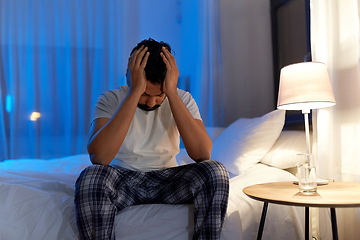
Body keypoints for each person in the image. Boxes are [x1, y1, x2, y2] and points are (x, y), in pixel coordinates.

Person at [75, 38, 229, 240]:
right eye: (145, 94)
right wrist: (134, 92)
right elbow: (99, 157)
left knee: (215, 171)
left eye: (159, 95)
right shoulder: (110, 99)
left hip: (168, 180)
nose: (151, 102)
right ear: (129, 76)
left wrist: (172, 93)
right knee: (91, 176)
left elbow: (202, 154)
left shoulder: (183, 99)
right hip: (123, 179)